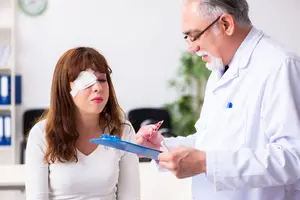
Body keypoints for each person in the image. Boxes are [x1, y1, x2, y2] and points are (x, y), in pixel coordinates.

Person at [136, 0, 300, 199]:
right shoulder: (219, 70)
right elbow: (210, 141)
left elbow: (293, 157)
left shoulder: (278, 66)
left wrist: (207, 163)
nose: (191, 48)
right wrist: (162, 147)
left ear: (226, 24)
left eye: (194, 36)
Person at [25, 47, 140, 200]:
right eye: (86, 81)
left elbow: (131, 196)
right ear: (66, 88)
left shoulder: (122, 131)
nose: (97, 88)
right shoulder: (42, 134)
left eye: (101, 79)